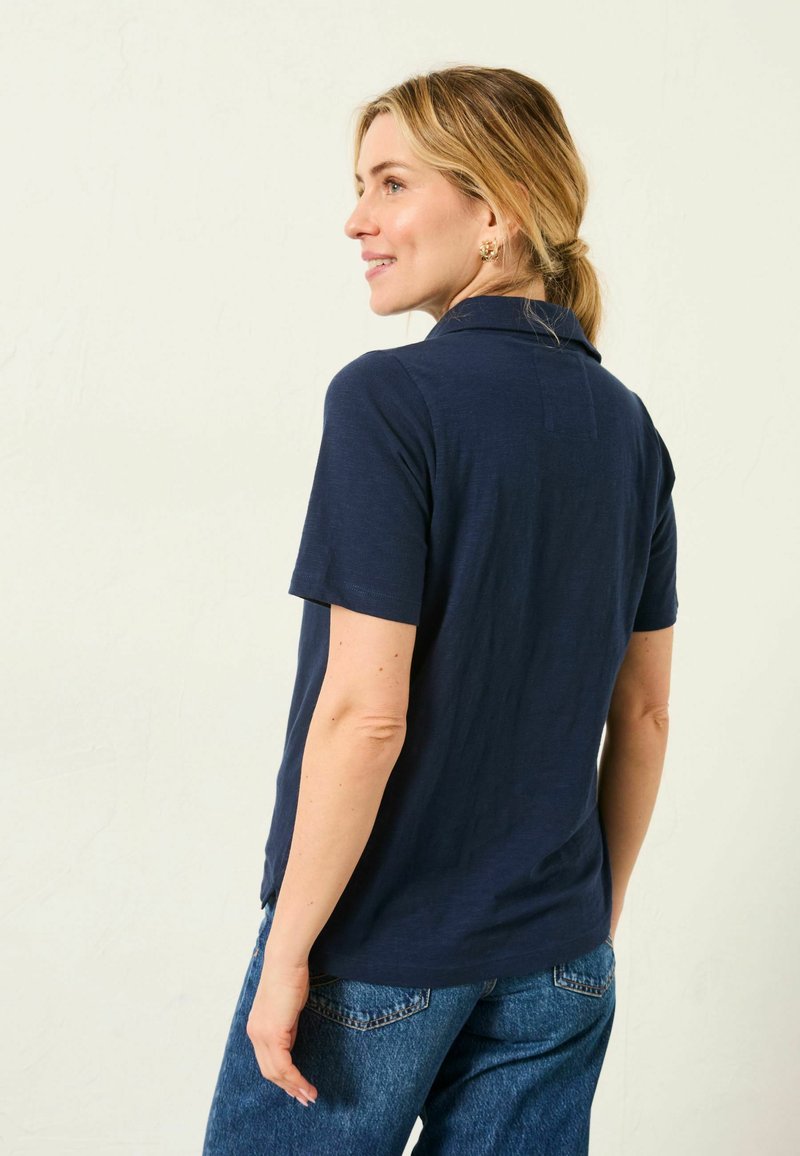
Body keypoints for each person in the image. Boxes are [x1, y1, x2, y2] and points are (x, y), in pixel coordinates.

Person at [202, 65, 678, 1156]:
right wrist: (585, 930)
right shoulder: (628, 427)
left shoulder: (389, 400)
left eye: (390, 183)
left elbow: (365, 715)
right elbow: (645, 717)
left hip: (378, 941)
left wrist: (290, 953)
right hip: (558, 950)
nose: (356, 220)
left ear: (496, 211)